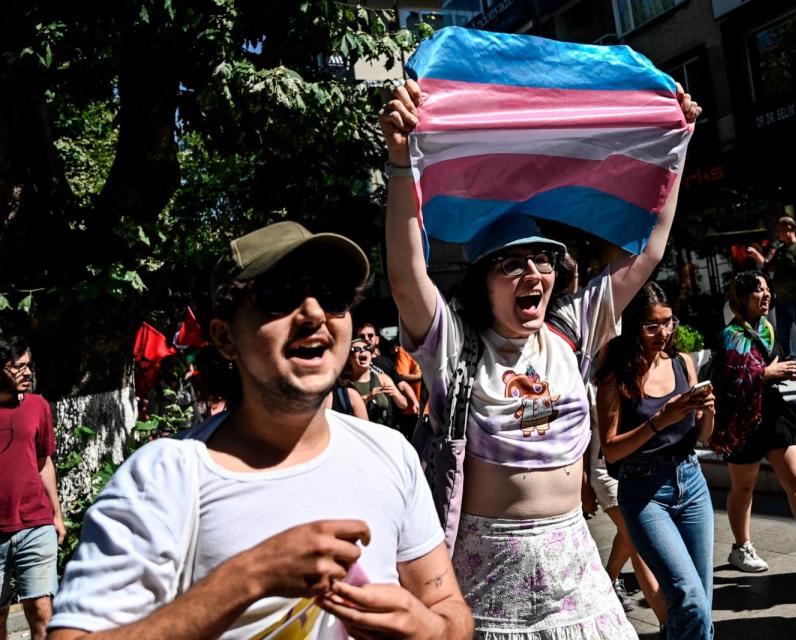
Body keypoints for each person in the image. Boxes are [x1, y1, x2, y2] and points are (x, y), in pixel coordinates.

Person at [380, 77, 700, 639]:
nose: (533, 275)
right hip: (487, 578)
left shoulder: (572, 329)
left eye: (543, 261)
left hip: (577, 571)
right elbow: (408, 277)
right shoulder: (456, 346)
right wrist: (402, 161)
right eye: (512, 264)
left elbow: (649, 249)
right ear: (483, 283)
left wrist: (677, 143)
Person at [48, 221, 473, 640]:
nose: (312, 314)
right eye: (279, 296)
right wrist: (250, 576)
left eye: (333, 296)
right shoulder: (165, 476)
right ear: (224, 337)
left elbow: (447, 610)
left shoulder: (389, 453)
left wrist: (428, 629)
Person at [711, 272, 796, 579]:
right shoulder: (729, 336)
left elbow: (771, 366)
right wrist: (767, 374)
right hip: (743, 422)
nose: (766, 295)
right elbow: (728, 383)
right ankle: (741, 547)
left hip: (773, 413)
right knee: (743, 487)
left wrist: (792, 370)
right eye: (757, 291)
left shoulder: (768, 329)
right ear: (742, 298)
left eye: (767, 289)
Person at [596, 284, 716, 640]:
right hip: (644, 491)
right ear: (633, 326)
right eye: (652, 325)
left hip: (691, 481)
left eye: (669, 323)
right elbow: (612, 449)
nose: (663, 333)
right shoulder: (615, 376)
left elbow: (705, 436)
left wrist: (709, 412)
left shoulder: (683, 363)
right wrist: (660, 419)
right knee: (689, 598)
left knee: (701, 602)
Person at [0, 337, 65, 640]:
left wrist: (57, 513)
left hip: (35, 523)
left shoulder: (39, 406)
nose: (27, 373)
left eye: (29, 366)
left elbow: (44, 462)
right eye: (18, 367)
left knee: (41, 608)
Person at [586, 383, 667, 624]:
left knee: (629, 532)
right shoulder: (590, 377)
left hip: (639, 468)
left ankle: (608, 580)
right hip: (604, 470)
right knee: (636, 536)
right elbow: (579, 432)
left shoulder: (638, 373)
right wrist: (582, 484)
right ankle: (666, 620)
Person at [751, 216, 796, 356]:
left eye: (779, 230)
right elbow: (769, 266)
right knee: (782, 332)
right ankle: (784, 359)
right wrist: (756, 255)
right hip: (782, 300)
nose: (777, 233)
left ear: (789, 229)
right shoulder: (781, 249)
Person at [346, 338, 409, 430]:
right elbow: (343, 413)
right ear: (349, 359)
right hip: (360, 435)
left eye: (367, 348)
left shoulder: (382, 378)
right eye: (356, 349)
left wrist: (395, 394)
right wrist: (368, 396)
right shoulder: (345, 384)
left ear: (371, 355)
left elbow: (404, 404)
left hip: (385, 433)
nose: (363, 350)